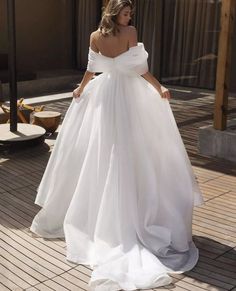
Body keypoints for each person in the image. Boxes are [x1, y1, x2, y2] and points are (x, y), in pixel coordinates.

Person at [30, 0, 204, 290]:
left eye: (130, 13)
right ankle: (113, 215)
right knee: (107, 151)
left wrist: (157, 87)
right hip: (119, 97)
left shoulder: (100, 35)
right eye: (126, 12)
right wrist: (82, 88)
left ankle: (120, 208)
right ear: (114, 14)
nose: (129, 16)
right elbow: (127, 69)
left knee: (125, 150)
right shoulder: (118, 34)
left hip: (108, 94)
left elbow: (98, 70)